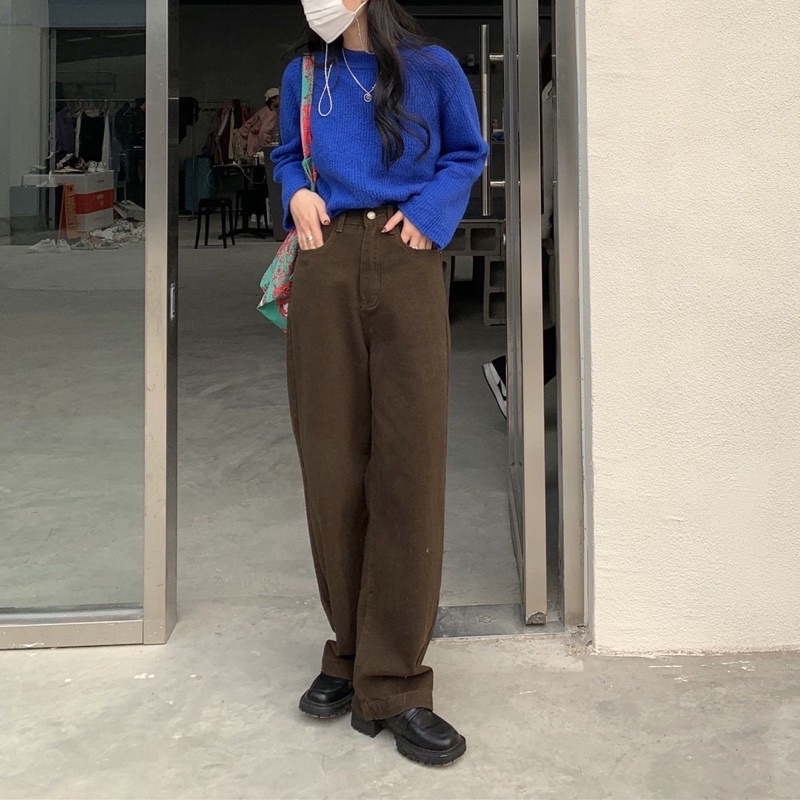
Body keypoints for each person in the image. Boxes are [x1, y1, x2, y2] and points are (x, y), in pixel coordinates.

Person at [271, 0, 487, 767]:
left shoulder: (432, 69)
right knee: (330, 467)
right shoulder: (305, 73)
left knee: (407, 468)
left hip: (405, 259)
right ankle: (351, 650)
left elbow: (468, 152)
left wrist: (431, 211)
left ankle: (393, 681)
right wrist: (295, 190)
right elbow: (287, 156)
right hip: (324, 262)